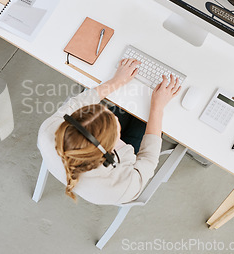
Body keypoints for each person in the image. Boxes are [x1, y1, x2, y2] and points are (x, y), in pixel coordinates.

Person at [37, 58, 181, 205]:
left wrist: (116, 81)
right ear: (115, 144)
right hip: (121, 167)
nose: (112, 114)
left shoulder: (50, 130)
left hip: (95, 155)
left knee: (131, 107)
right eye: (115, 124)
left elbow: (78, 103)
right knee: (143, 120)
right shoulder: (123, 187)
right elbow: (148, 159)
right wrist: (157, 108)